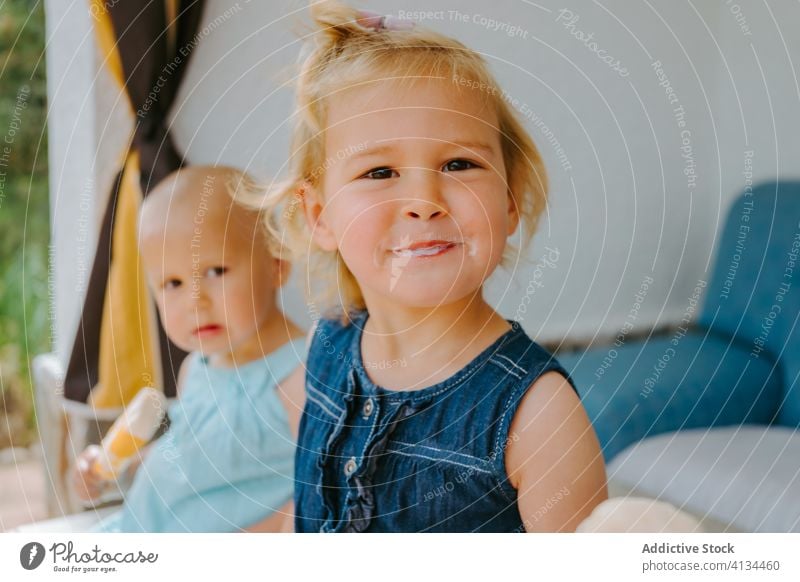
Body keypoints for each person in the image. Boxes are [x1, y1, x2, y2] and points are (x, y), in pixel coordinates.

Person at [265, 1, 608, 532]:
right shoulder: (326, 345)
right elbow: (310, 507)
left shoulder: (540, 416)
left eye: (459, 164)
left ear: (511, 199)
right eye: (380, 171)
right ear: (320, 216)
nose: (424, 200)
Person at [72, 166, 305, 532]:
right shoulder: (198, 366)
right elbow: (187, 455)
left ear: (277, 264)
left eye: (215, 271)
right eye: (173, 282)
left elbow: (318, 497)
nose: (195, 301)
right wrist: (117, 468)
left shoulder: (301, 376)